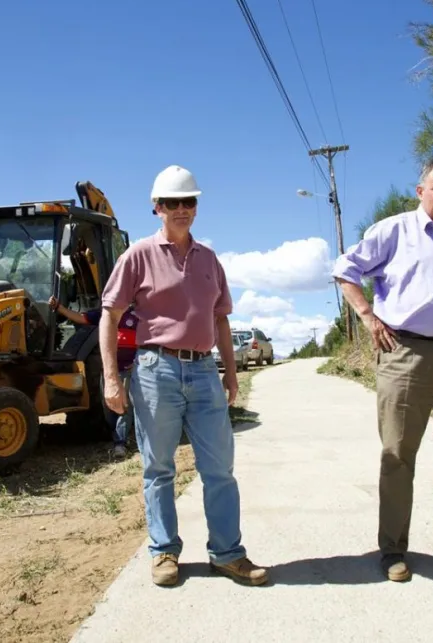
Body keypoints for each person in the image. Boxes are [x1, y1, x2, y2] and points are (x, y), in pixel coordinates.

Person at [98, 164, 268, 588]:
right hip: (155, 370)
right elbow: (109, 316)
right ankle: (164, 552)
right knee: (159, 468)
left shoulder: (209, 259)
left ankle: (227, 554)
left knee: (220, 468)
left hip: (205, 370)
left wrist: (231, 374)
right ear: (156, 207)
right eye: (171, 202)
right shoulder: (138, 255)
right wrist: (111, 378)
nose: (181, 209)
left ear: (196, 206)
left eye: (188, 201)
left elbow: (221, 320)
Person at [333, 160, 433, 582]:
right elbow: (345, 270)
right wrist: (368, 316)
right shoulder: (393, 231)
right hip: (404, 353)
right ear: (420, 191)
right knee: (398, 453)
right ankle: (392, 549)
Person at [48, 296, 136, 458]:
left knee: (124, 406)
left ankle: (120, 443)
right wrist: (59, 307)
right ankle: (115, 435)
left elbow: (147, 339)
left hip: (127, 369)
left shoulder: (136, 316)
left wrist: (137, 361)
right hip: (108, 370)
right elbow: (80, 318)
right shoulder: (104, 314)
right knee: (109, 406)